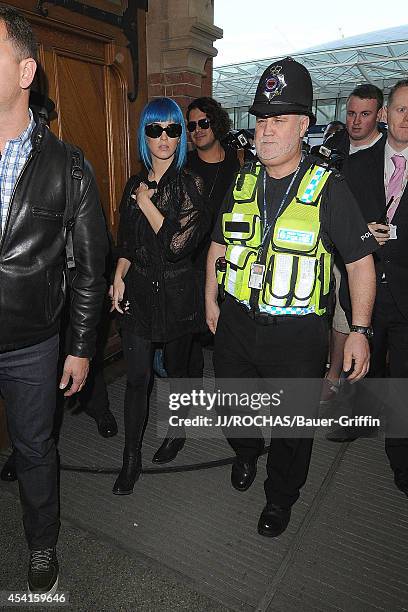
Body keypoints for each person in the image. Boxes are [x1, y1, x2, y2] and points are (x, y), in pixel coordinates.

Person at [206, 57, 377, 538]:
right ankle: (244, 452)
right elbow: (219, 244)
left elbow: (361, 262)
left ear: (303, 126)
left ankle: (280, 497)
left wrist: (359, 331)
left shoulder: (329, 188)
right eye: (261, 119)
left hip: (297, 334)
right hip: (237, 323)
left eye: (279, 119)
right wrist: (210, 301)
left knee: (290, 428)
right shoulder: (241, 181)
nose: (266, 130)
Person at [0, 6, 107, 595]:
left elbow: (91, 270)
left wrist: (81, 348)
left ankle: (42, 546)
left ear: (25, 72)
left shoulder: (69, 166)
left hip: (32, 344)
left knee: (35, 449)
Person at [111, 97, 207, 492]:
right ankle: (130, 458)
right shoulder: (134, 184)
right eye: (155, 129)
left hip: (177, 294)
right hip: (138, 293)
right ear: (144, 135)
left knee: (178, 372)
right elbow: (127, 243)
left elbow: (175, 246)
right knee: (137, 378)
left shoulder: (190, 183)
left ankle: (177, 432)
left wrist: (148, 203)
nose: (164, 138)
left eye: (172, 129)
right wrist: (118, 276)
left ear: (181, 135)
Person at [342, 79, 408, 495]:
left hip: (406, 299)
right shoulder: (356, 167)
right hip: (364, 296)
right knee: (360, 367)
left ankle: (400, 457)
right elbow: (337, 232)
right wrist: (362, 234)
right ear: (386, 113)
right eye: (401, 108)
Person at [322, 84, 385, 409]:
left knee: (349, 320)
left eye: (365, 114)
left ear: (379, 115)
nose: (356, 121)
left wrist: (378, 228)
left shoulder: (386, 151)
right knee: (327, 315)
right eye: (351, 113)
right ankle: (330, 375)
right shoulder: (335, 145)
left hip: (362, 253)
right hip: (327, 246)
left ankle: (337, 381)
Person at [184, 96, 241, 379]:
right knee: (192, 333)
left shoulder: (239, 162)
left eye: (203, 122)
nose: (197, 129)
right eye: (191, 125)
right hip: (191, 261)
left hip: (230, 261)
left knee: (228, 334)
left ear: (215, 123)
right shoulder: (183, 165)